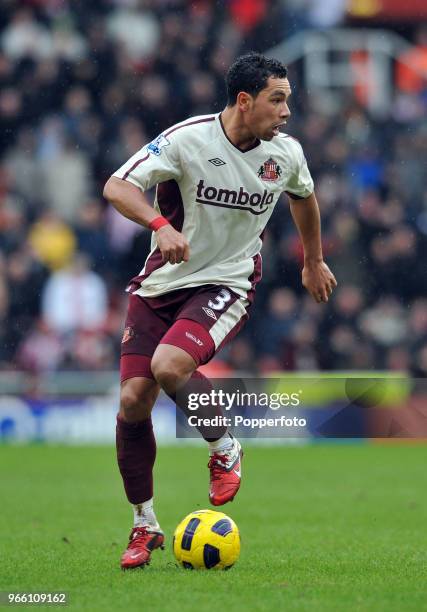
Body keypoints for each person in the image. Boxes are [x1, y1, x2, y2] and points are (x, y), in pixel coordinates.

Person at [103, 52, 337, 569]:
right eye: (278, 100)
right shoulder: (188, 139)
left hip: (227, 284)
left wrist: (313, 261)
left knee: (168, 368)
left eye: (289, 100)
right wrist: (160, 226)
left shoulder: (286, 154)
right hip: (160, 284)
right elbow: (117, 187)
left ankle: (225, 445)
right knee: (133, 402)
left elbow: (305, 197)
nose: (286, 111)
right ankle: (144, 525)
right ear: (244, 101)